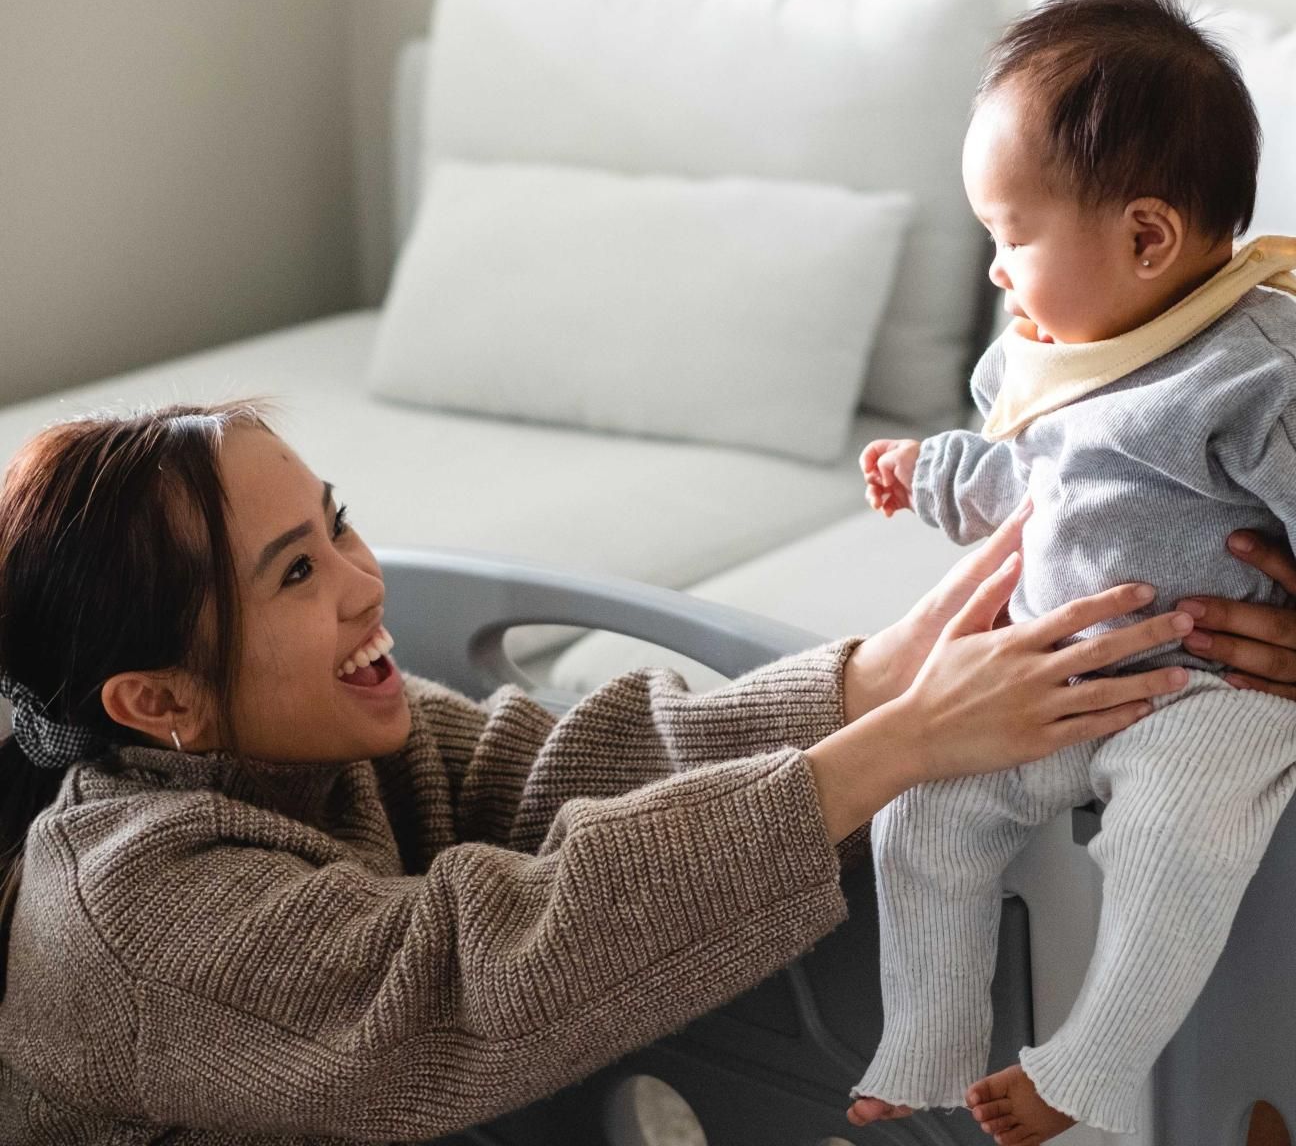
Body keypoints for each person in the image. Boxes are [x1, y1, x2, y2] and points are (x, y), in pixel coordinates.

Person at [0, 398, 1239, 1146]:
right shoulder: (132, 911)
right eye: (295, 575)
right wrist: (899, 750)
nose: (363, 584)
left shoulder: (314, 748)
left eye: (337, 525)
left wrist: (868, 679)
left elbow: (550, 770)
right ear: (158, 703)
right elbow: (463, 978)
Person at [854, 0, 1296, 1141]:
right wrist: (930, 474)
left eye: (1010, 236)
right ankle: (931, 1041)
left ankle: (1085, 1068)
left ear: (1146, 235)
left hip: (1210, 689)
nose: (997, 272)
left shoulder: (1256, 373)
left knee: (1170, 844)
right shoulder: (1051, 350)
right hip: (1060, 676)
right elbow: (1029, 483)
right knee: (926, 811)